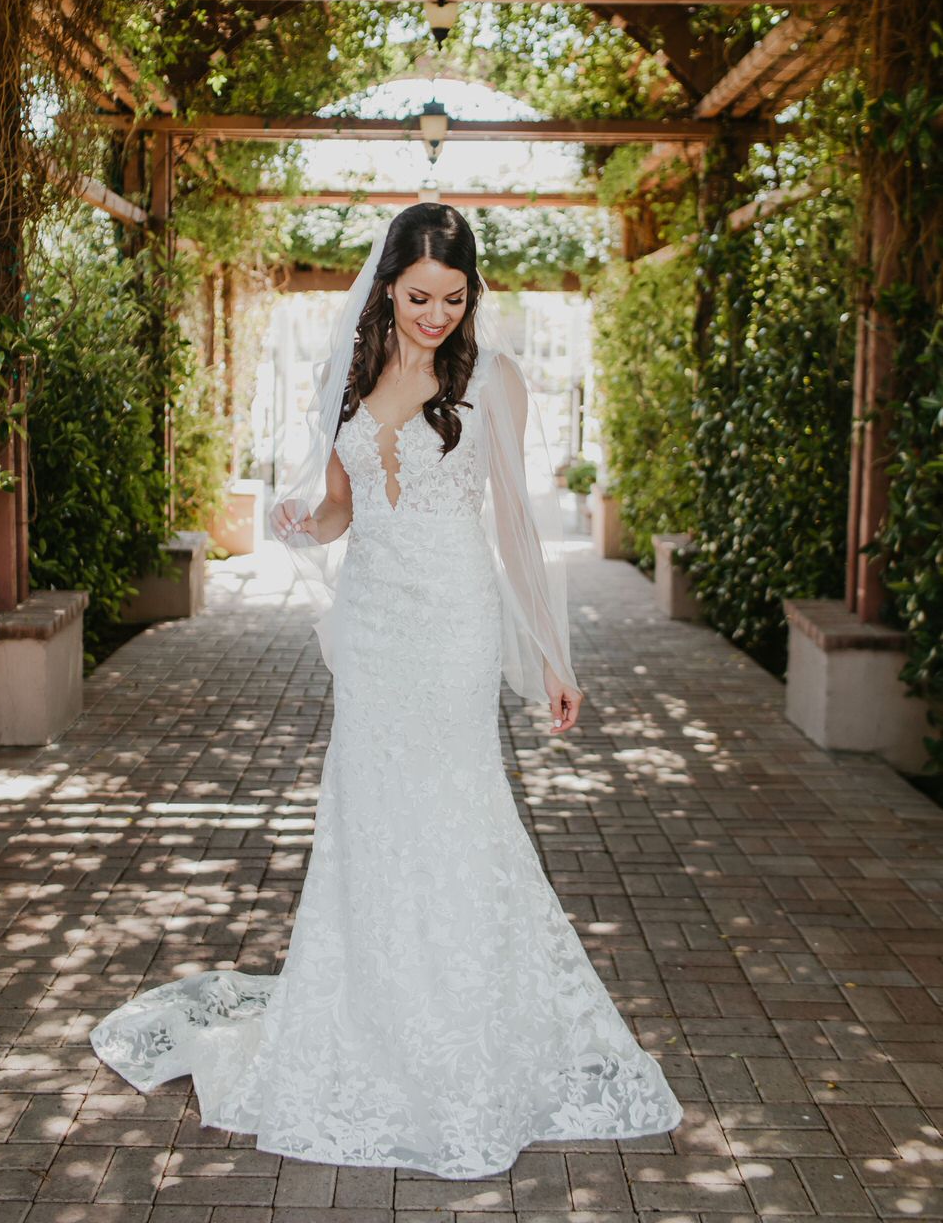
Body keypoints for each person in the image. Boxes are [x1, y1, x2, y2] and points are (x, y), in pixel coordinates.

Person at [90, 203, 683, 1178]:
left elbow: (517, 531)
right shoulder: (355, 373)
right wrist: (298, 515)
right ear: (386, 288)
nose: (435, 314)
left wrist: (550, 656)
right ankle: (370, 1015)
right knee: (368, 816)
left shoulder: (494, 380)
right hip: (371, 629)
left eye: (452, 297)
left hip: (452, 624)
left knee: (458, 813)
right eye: (417, 296)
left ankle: (460, 1024)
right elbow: (336, 514)